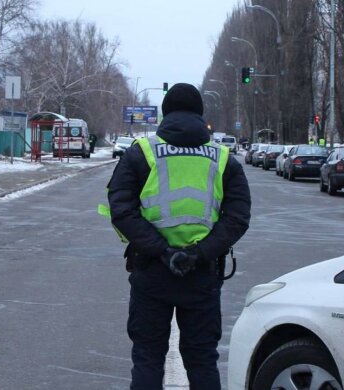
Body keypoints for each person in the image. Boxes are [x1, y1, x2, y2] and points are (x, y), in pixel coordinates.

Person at [106, 83, 251, 389]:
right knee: (201, 361)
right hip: (201, 275)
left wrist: (162, 251)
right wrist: (199, 253)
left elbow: (121, 209)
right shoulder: (223, 159)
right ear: (201, 114)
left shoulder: (141, 154)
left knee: (147, 358)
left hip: (152, 272)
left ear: (165, 113)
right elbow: (237, 218)